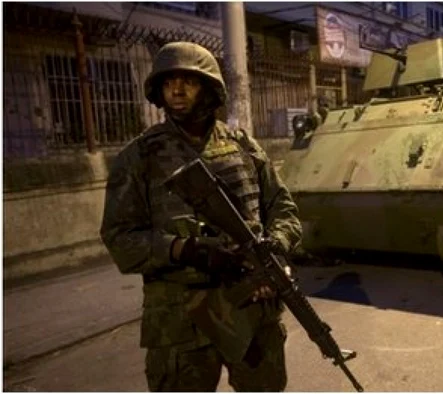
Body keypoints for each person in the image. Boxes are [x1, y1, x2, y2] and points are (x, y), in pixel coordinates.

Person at [100, 41, 302, 392]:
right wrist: (185, 250)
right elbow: (119, 238)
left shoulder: (244, 147)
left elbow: (283, 208)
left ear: (209, 89)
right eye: (168, 82)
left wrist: (275, 244)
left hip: (252, 306)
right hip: (179, 320)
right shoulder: (139, 158)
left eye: (188, 81)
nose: (176, 90)